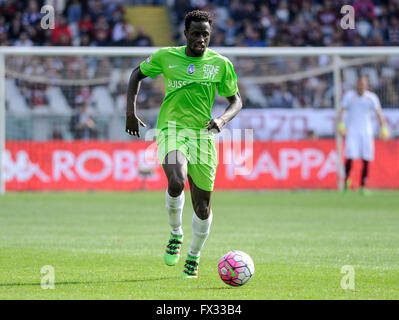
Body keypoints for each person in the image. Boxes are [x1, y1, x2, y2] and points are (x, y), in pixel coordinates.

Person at [125, 10, 242, 278]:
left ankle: (194, 254)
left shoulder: (221, 64)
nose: (201, 38)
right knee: (176, 181)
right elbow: (136, 74)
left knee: (202, 208)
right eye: (196, 33)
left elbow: (236, 100)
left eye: (206, 34)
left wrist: (222, 120)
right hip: (171, 130)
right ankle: (176, 233)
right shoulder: (167, 56)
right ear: (186, 33)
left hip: (203, 135)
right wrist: (130, 112)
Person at [337, 75, 389, 194]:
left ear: (366, 85)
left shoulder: (371, 97)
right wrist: (341, 125)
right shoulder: (349, 96)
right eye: (360, 83)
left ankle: (363, 185)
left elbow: (379, 113)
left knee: (366, 157)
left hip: (366, 131)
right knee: (350, 156)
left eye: (363, 84)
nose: (361, 86)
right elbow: (341, 111)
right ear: (357, 84)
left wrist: (384, 128)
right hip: (352, 131)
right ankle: (347, 182)